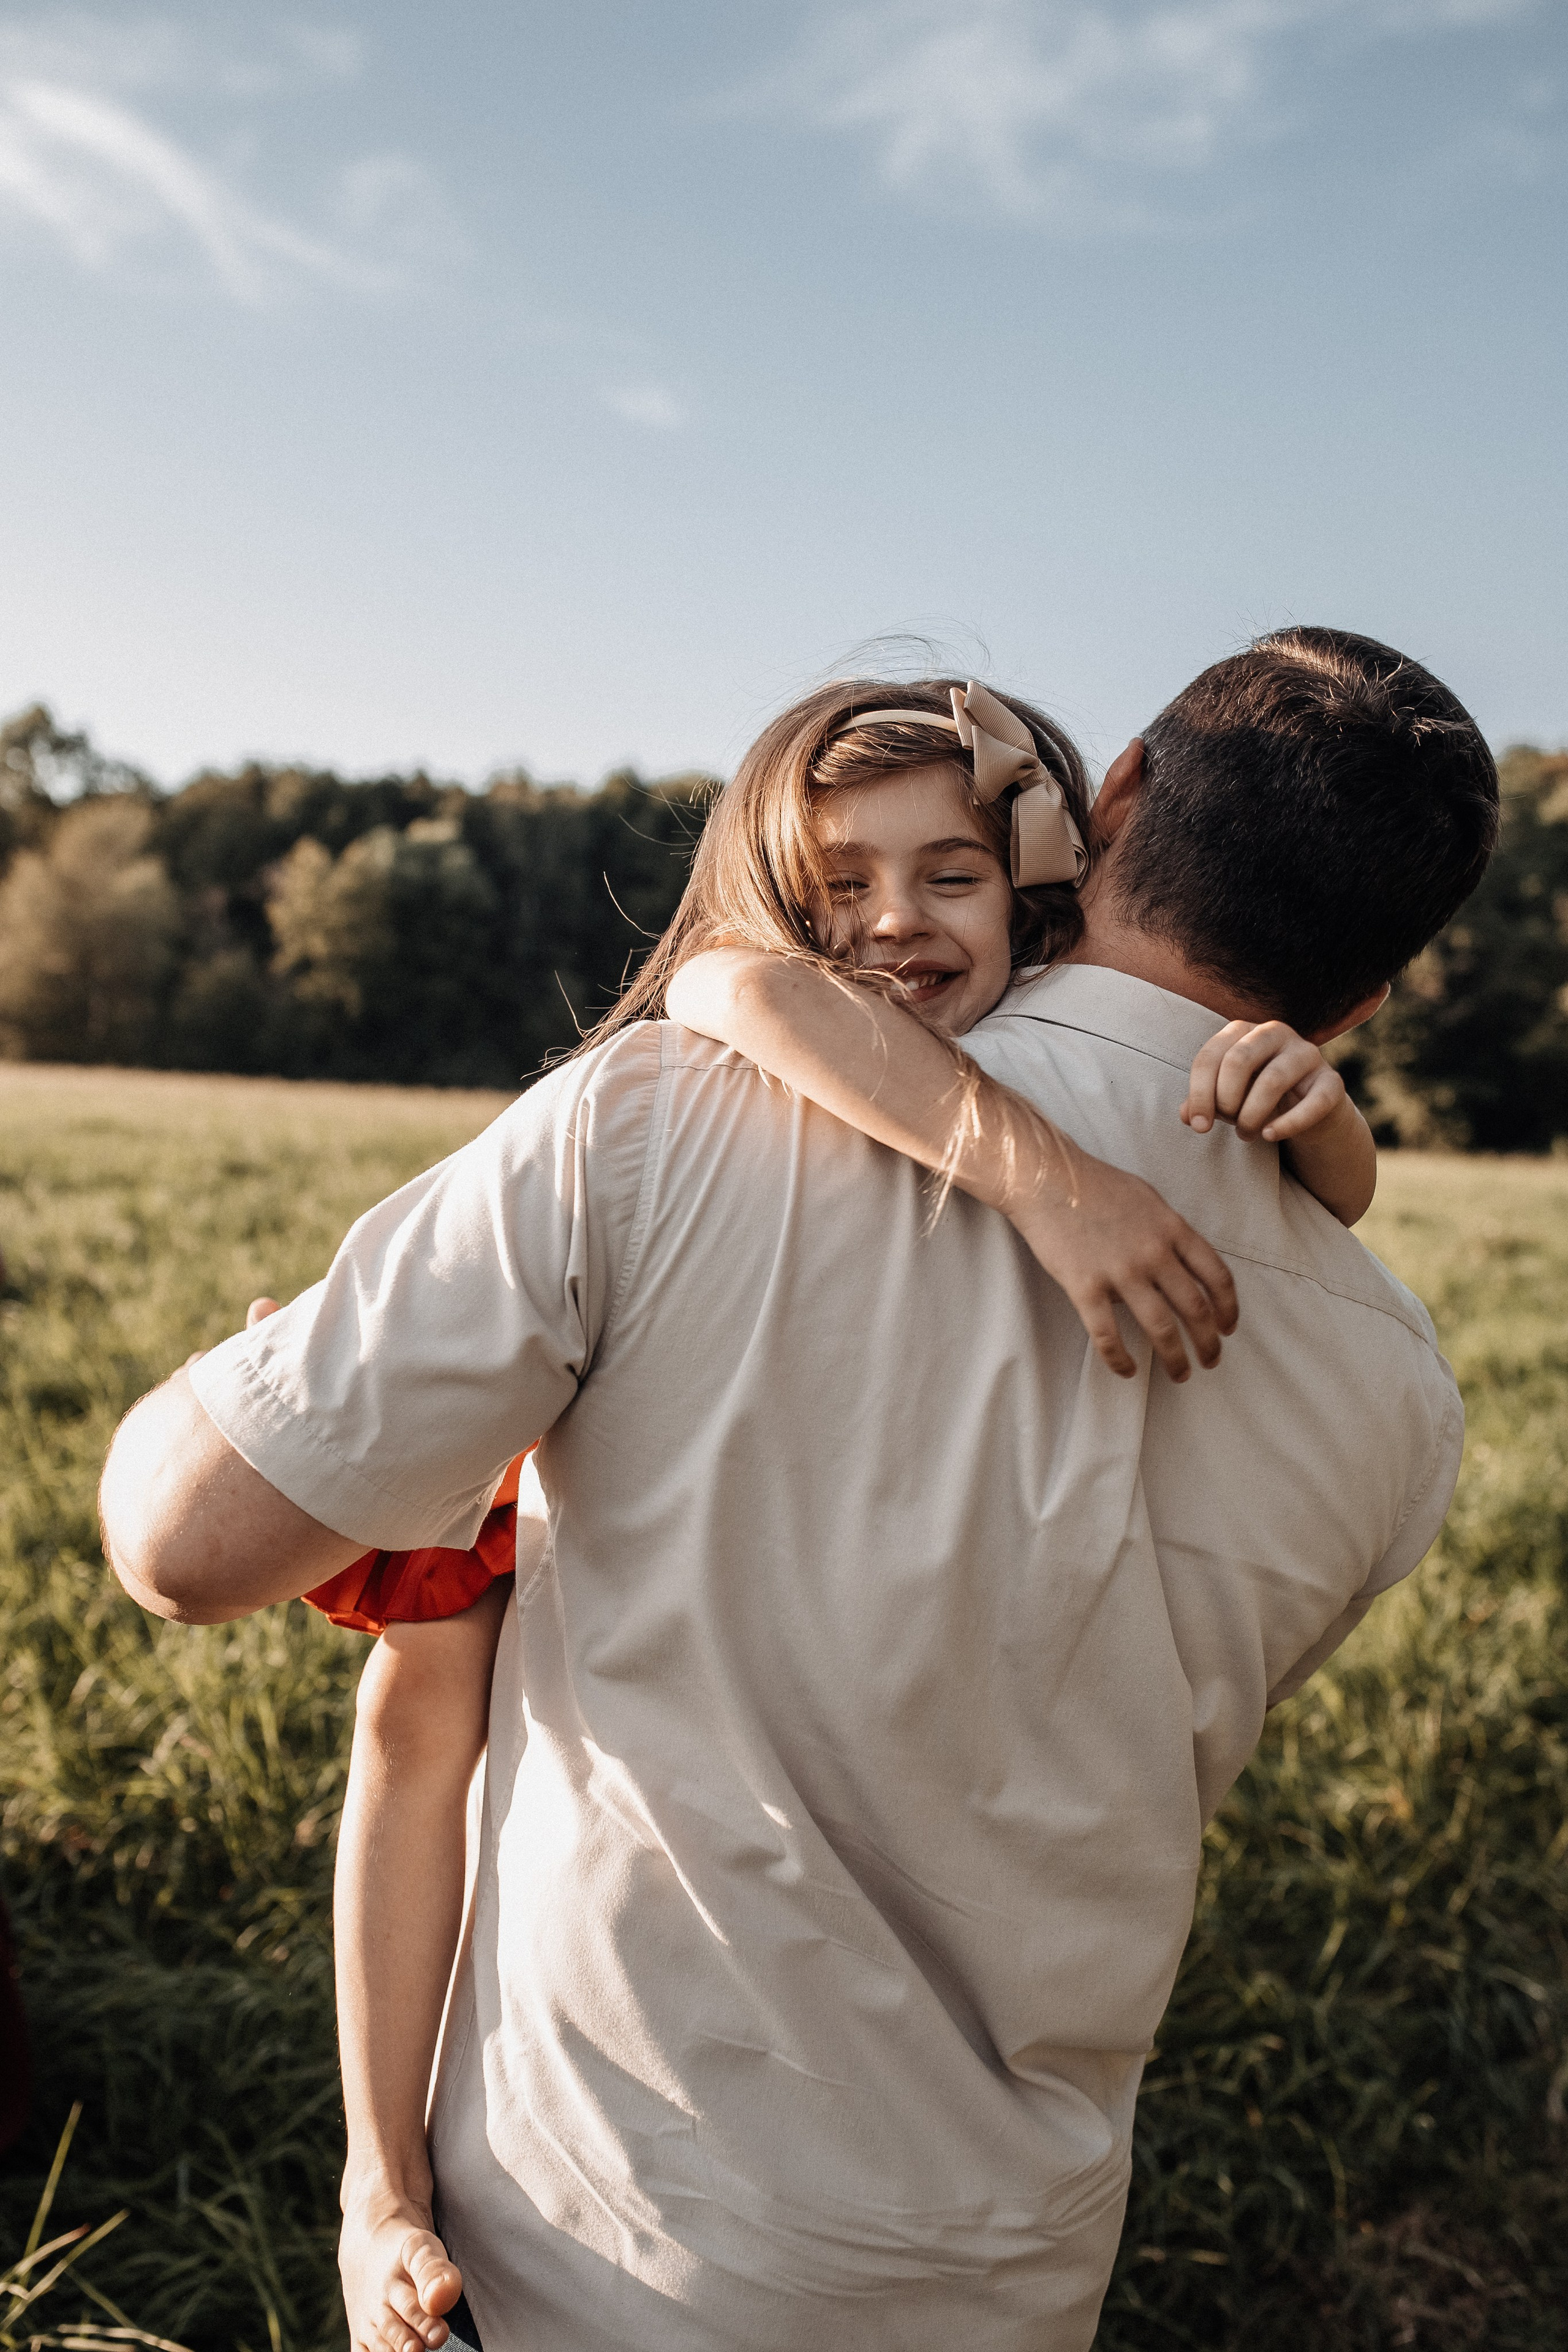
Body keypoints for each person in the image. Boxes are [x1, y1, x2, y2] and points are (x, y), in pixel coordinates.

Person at [100, 628, 1498, 2352]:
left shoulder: (670, 1121)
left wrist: (271, 1369)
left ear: (1110, 800)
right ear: (1366, 1000)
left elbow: (183, 1545)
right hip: (1011, 2279)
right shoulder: (1401, 1391)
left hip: (595, 2254)